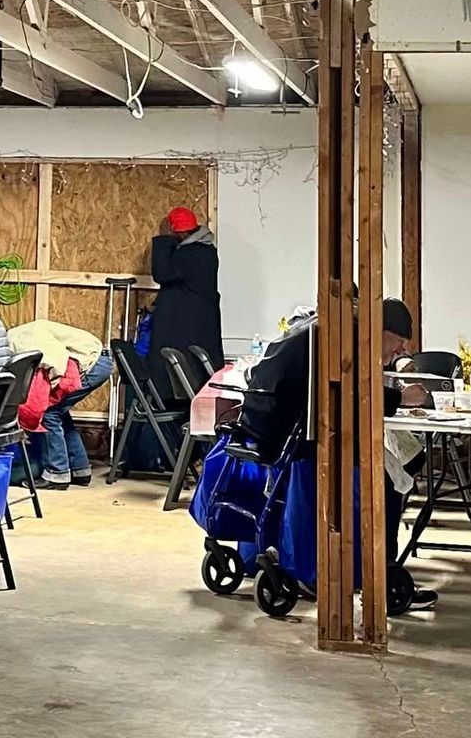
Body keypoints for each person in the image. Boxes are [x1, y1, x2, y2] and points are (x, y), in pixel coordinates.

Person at [240, 296, 437, 613]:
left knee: (393, 463)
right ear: (381, 330)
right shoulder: (345, 337)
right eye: (397, 344)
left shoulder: (325, 327)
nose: (396, 353)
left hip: (272, 426)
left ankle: (374, 568)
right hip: (297, 438)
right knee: (384, 477)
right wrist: (400, 397)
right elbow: (350, 395)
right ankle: (379, 574)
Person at [6, 317, 110, 488]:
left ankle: (57, 474)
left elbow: (55, 358)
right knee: (59, 413)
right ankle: (80, 469)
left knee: (48, 413)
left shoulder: (20, 339)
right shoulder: (19, 335)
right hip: (100, 359)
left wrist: (53, 384)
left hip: (94, 363)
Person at [146, 206, 224, 399]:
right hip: (196, 325)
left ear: (176, 231)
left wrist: (163, 239)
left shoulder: (191, 253)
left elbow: (162, 273)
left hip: (184, 327)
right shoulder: (204, 250)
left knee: (174, 372)